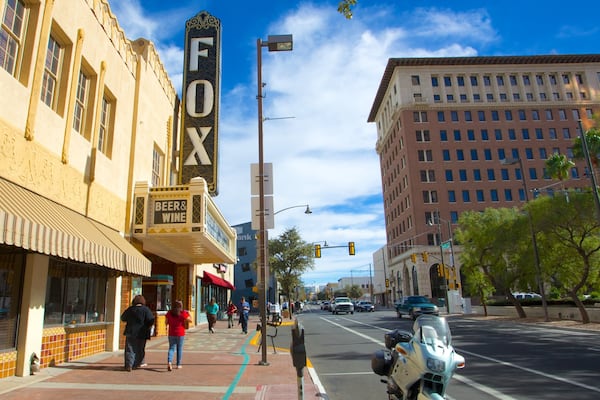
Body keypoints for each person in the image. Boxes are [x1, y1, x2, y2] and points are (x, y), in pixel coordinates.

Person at [120, 294, 155, 372]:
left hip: (130, 331)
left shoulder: (130, 309)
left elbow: (123, 318)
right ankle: (138, 363)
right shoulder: (146, 310)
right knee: (140, 348)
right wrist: (148, 326)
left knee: (130, 348)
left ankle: (129, 364)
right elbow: (151, 320)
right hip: (142, 332)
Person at [165, 300, 192, 371]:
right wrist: (189, 313)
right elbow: (190, 320)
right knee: (179, 348)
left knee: (171, 348)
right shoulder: (182, 313)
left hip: (171, 333)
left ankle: (169, 362)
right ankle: (178, 364)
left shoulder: (169, 313)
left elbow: (166, 322)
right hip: (180, 333)